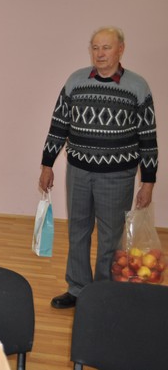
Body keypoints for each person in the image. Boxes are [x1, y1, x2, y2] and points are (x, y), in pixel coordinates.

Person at [39, 26, 158, 309]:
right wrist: (47, 164)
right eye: (95, 47)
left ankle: (103, 294)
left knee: (110, 237)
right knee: (77, 231)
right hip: (78, 172)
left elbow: (148, 137)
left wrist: (149, 181)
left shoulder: (138, 86)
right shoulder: (75, 81)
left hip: (117, 176)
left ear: (120, 49)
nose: (100, 53)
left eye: (106, 47)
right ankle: (77, 288)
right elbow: (58, 126)